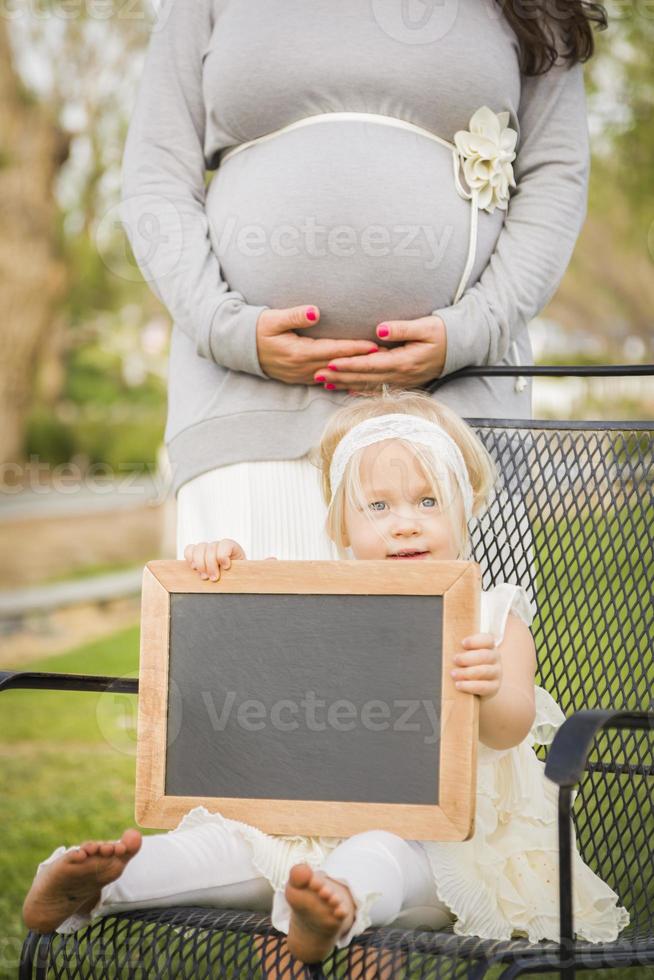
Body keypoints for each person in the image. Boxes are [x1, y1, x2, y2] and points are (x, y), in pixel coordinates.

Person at [23, 391, 629, 975]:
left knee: (375, 857)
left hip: (441, 841)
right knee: (218, 850)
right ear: (340, 524)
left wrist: (490, 685)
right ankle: (96, 882)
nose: (405, 526)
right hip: (301, 822)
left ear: (466, 506)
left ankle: (326, 909)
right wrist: (219, 573)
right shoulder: (317, 601)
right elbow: (241, 650)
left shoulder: (495, 616)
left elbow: (512, 726)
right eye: (378, 507)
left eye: (427, 502)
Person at [119, 0, 601, 572]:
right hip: (248, 411)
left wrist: (475, 329)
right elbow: (156, 175)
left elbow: (556, 175)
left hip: (456, 409)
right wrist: (229, 331)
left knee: (468, 654)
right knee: (259, 652)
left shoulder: (536, 6)